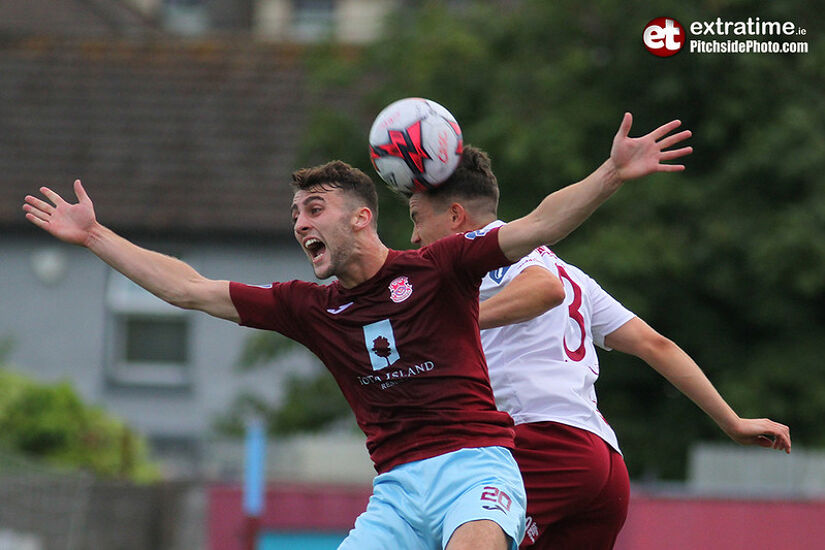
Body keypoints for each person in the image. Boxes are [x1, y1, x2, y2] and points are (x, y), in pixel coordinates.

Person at [22, 112, 692, 550]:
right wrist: (94, 235)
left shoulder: (438, 269)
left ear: (362, 219)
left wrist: (609, 175)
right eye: (293, 214)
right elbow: (189, 288)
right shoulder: (308, 308)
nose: (300, 224)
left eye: (314, 209)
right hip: (397, 492)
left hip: (476, 470)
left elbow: (539, 226)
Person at [406, 144, 792, 550]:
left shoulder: (484, 254)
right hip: (602, 464)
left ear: (455, 216)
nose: (413, 236)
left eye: (417, 218)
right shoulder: (573, 274)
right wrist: (732, 421)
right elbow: (655, 344)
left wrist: (450, 323)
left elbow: (544, 289)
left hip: (540, 445)